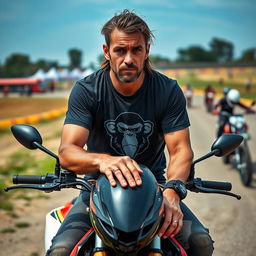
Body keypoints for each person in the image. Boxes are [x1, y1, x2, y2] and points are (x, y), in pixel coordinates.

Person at [47, 9, 214, 256]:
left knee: (200, 243)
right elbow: (67, 152)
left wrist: (172, 191)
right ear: (107, 52)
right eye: (120, 50)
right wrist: (104, 161)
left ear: (146, 51)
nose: (128, 59)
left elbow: (180, 150)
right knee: (62, 250)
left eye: (136, 50)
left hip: (155, 189)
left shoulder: (167, 91)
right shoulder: (87, 90)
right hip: (97, 189)